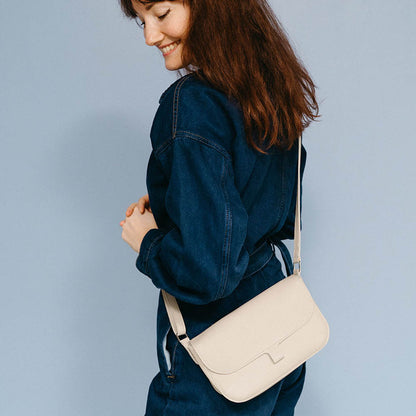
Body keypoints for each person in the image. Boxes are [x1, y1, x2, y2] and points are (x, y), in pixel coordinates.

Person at [119, 1, 319, 414]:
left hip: (220, 353)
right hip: (280, 330)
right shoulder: (269, 84)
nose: (150, 36)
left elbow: (208, 271)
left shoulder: (191, 105)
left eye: (161, 13)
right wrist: (177, 202)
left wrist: (148, 241)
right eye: (142, 22)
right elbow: (280, 212)